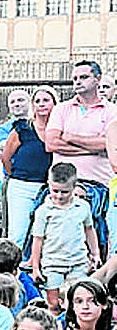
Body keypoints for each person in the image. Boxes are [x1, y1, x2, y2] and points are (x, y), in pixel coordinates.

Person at [48, 61, 117, 244]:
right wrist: (93, 148)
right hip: (62, 184)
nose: (78, 82)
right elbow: (52, 143)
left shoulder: (112, 111)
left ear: (98, 79)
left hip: (98, 184)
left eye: (84, 77)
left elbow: (109, 144)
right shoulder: (61, 109)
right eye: (75, 78)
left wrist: (70, 137)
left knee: (96, 236)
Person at [30, 162, 100, 311]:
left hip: (78, 261)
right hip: (53, 262)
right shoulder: (43, 211)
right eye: (55, 191)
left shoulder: (82, 207)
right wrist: (35, 267)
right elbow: (38, 239)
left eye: (65, 192)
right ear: (49, 184)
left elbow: (89, 230)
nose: (59, 196)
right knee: (53, 303)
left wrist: (95, 253)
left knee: (77, 300)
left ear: (74, 187)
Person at [0, 85, 56, 251]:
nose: (41, 104)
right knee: (18, 233)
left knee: (45, 234)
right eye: (37, 101)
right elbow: (6, 157)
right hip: (21, 185)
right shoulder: (23, 128)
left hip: (49, 188)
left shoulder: (59, 129)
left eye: (46, 100)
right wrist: (16, 176)